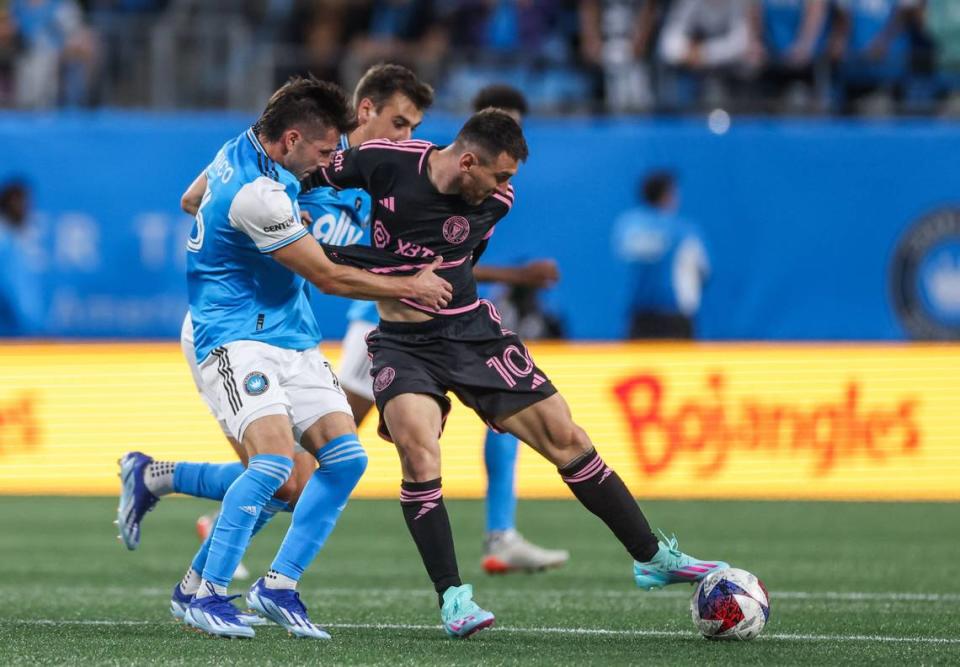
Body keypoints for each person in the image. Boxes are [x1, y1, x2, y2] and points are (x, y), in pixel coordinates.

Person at [307, 109, 728, 638]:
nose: (507, 188)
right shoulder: (382, 161)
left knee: (566, 437)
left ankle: (651, 556)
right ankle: (453, 598)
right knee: (419, 453)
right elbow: (304, 176)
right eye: (501, 175)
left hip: (471, 335)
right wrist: (306, 236)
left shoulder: (495, 203)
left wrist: (361, 261)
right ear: (467, 162)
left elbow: (451, 264)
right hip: (401, 344)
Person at [117, 75, 451, 639]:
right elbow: (323, 273)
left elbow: (191, 198)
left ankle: (272, 583)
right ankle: (206, 591)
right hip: (232, 332)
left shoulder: (276, 152)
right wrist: (407, 287)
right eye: (400, 124)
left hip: (292, 334)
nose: (407, 138)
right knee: (275, 469)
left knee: (338, 464)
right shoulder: (264, 190)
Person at [612, 170, 709, 339]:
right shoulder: (683, 230)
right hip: (674, 319)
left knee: (638, 366)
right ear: (667, 195)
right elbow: (704, 271)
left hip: (638, 318)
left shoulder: (627, 226)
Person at [0, 180, 43, 335]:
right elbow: (19, 298)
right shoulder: (4, 244)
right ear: (9, 203)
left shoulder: (13, 241)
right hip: (11, 339)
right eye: (21, 203)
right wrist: (33, 330)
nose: (26, 210)